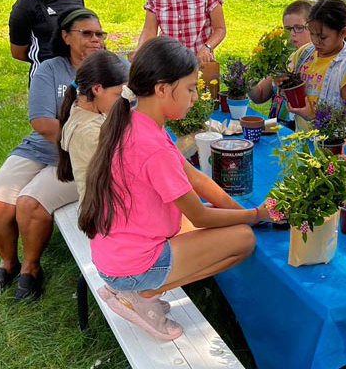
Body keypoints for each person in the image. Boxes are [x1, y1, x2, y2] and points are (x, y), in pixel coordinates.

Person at [79, 36, 271, 340]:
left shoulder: (135, 121)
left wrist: (239, 209)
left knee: (227, 222)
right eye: (191, 88)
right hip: (131, 265)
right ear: (162, 89)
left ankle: (140, 290)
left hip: (115, 254)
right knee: (244, 240)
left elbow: (196, 178)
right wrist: (254, 216)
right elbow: (201, 218)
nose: (195, 97)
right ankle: (144, 294)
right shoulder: (151, 145)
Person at [0, 8, 106, 300]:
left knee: (30, 204)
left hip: (82, 157)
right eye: (86, 33)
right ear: (65, 36)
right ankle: (7, 263)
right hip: (39, 147)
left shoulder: (113, 69)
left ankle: (31, 267)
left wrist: (81, 140)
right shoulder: (50, 69)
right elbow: (41, 122)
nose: (95, 40)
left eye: (99, 34)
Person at [57, 50, 129, 201]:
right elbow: (122, 177)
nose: (123, 100)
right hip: (104, 215)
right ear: (97, 89)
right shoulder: (88, 132)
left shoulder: (83, 109)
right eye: (118, 94)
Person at [286, 0, 346, 131]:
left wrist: (314, 117)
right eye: (312, 34)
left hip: (329, 146)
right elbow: (285, 76)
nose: (316, 41)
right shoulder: (305, 53)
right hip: (302, 139)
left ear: (343, 32)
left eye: (322, 37)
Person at [249, 0, 312, 129]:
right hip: (275, 128)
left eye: (299, 28)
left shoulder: (317, 61)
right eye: (288, 29)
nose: (293, 33)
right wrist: (247, 78)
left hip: (301, 131)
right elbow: (259, 96)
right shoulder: (283, 59)